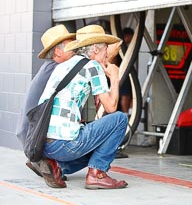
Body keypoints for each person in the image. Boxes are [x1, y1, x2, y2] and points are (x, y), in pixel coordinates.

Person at [38, 24, 128, 189]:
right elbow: (111, 107)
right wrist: (115, 78)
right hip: (65, 145)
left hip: (46, 145)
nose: (107, 54)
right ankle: (97, 174)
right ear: (95, 48)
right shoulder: (92, 67)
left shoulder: (62, 66)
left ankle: (58, 167)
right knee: (120, 119)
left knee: (98, 141)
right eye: (105, 50)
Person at [15, 25, 76, 177]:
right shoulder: (57, 68)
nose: (75, 49)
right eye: (71, 45)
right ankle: (43, 162)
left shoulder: (50, 67)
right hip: (34, 135)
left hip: (29, 132)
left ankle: (42, 162)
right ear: (57, 51)